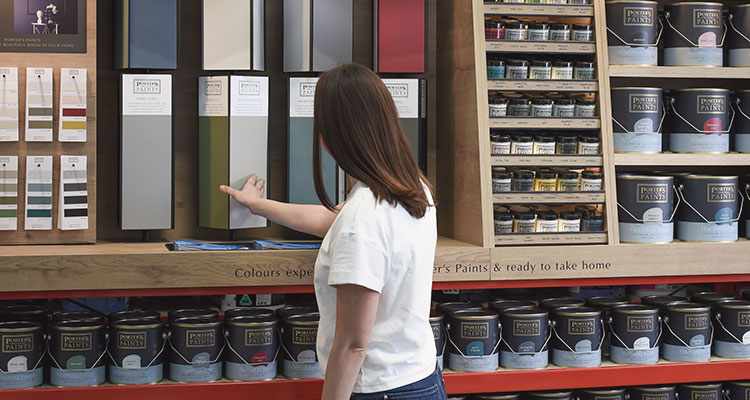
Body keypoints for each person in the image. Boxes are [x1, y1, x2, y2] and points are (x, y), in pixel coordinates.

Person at [220, 63, 445, 400]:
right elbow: (334, 220)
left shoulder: (363, 218)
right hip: (423, 378)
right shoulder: (412, 189)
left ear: (329, 138)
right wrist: (259, 205)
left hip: (377, 389)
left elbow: (353, 346)